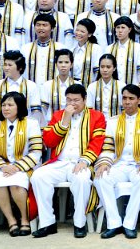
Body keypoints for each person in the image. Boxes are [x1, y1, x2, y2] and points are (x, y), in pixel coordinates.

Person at [30, 84, 106, 238]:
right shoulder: (58, 115)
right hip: (59, 162)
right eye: (69, 100)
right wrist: (64, 121)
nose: (72, 104)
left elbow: (97, 142)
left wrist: (84, 161)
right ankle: (47, 223)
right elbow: (49, 142)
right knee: (38, 176)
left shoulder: (97, 116)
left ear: (85, 100)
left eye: (76, 100)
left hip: (81, 162)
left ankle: (79, 223)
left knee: (82, 179)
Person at [94, 84, 140, 239]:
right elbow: (108, 148)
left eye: (131, 98)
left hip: (139, 165)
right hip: (118, 165)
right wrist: (104, 162)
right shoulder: (113, 121)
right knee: (100, 178)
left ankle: (129, 224)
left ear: (139, 100)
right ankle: (114, 223)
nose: (127, 102)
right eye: (124, 98)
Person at [0, 92, 43, 237]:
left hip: (24, 168)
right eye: (3, 105)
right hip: (2, 168)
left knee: (17, 183)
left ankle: (24, 218)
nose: (6, 108)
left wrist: (16, 167)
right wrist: (4, 166)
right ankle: (11, 221)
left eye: (10, 105)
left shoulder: (31, 123)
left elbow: (36, 151)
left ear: (19, 107)